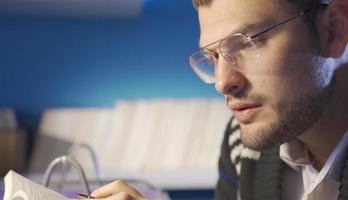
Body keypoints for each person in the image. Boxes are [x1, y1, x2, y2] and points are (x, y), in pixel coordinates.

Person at [89, 0, 348, 199]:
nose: (223, 82)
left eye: (248, 43)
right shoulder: (241, 142)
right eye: (214, 57)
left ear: (332, 30)